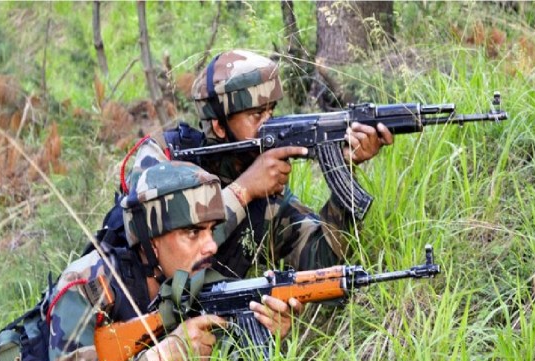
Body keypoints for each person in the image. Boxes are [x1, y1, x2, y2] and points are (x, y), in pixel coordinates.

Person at [0, 161, 303, 361]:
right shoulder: (88, 284)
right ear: (153, 241)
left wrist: (269, 340)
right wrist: (162, 359)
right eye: (194, 232)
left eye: (212, 229)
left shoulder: (194, 273)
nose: (210, 244)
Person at [121, 49, 394, 280]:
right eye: (256, 114)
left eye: (272, 111)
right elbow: (155, 243)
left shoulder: (265, 195)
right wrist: (244, 191)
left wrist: (343, 170)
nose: (269, 123)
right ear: (219, 124)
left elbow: (322, 263)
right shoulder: (164, 156)